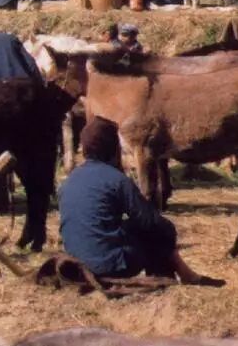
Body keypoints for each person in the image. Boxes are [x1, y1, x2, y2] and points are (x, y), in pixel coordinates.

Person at [59, 119, 222, 286]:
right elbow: (150, 221)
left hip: (77, 266)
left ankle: (185, 273)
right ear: (113, 147)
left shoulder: (68, 182)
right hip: (111, 266)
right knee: (161, 229)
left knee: (133, 226)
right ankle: (174, 275)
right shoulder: (116, 180)